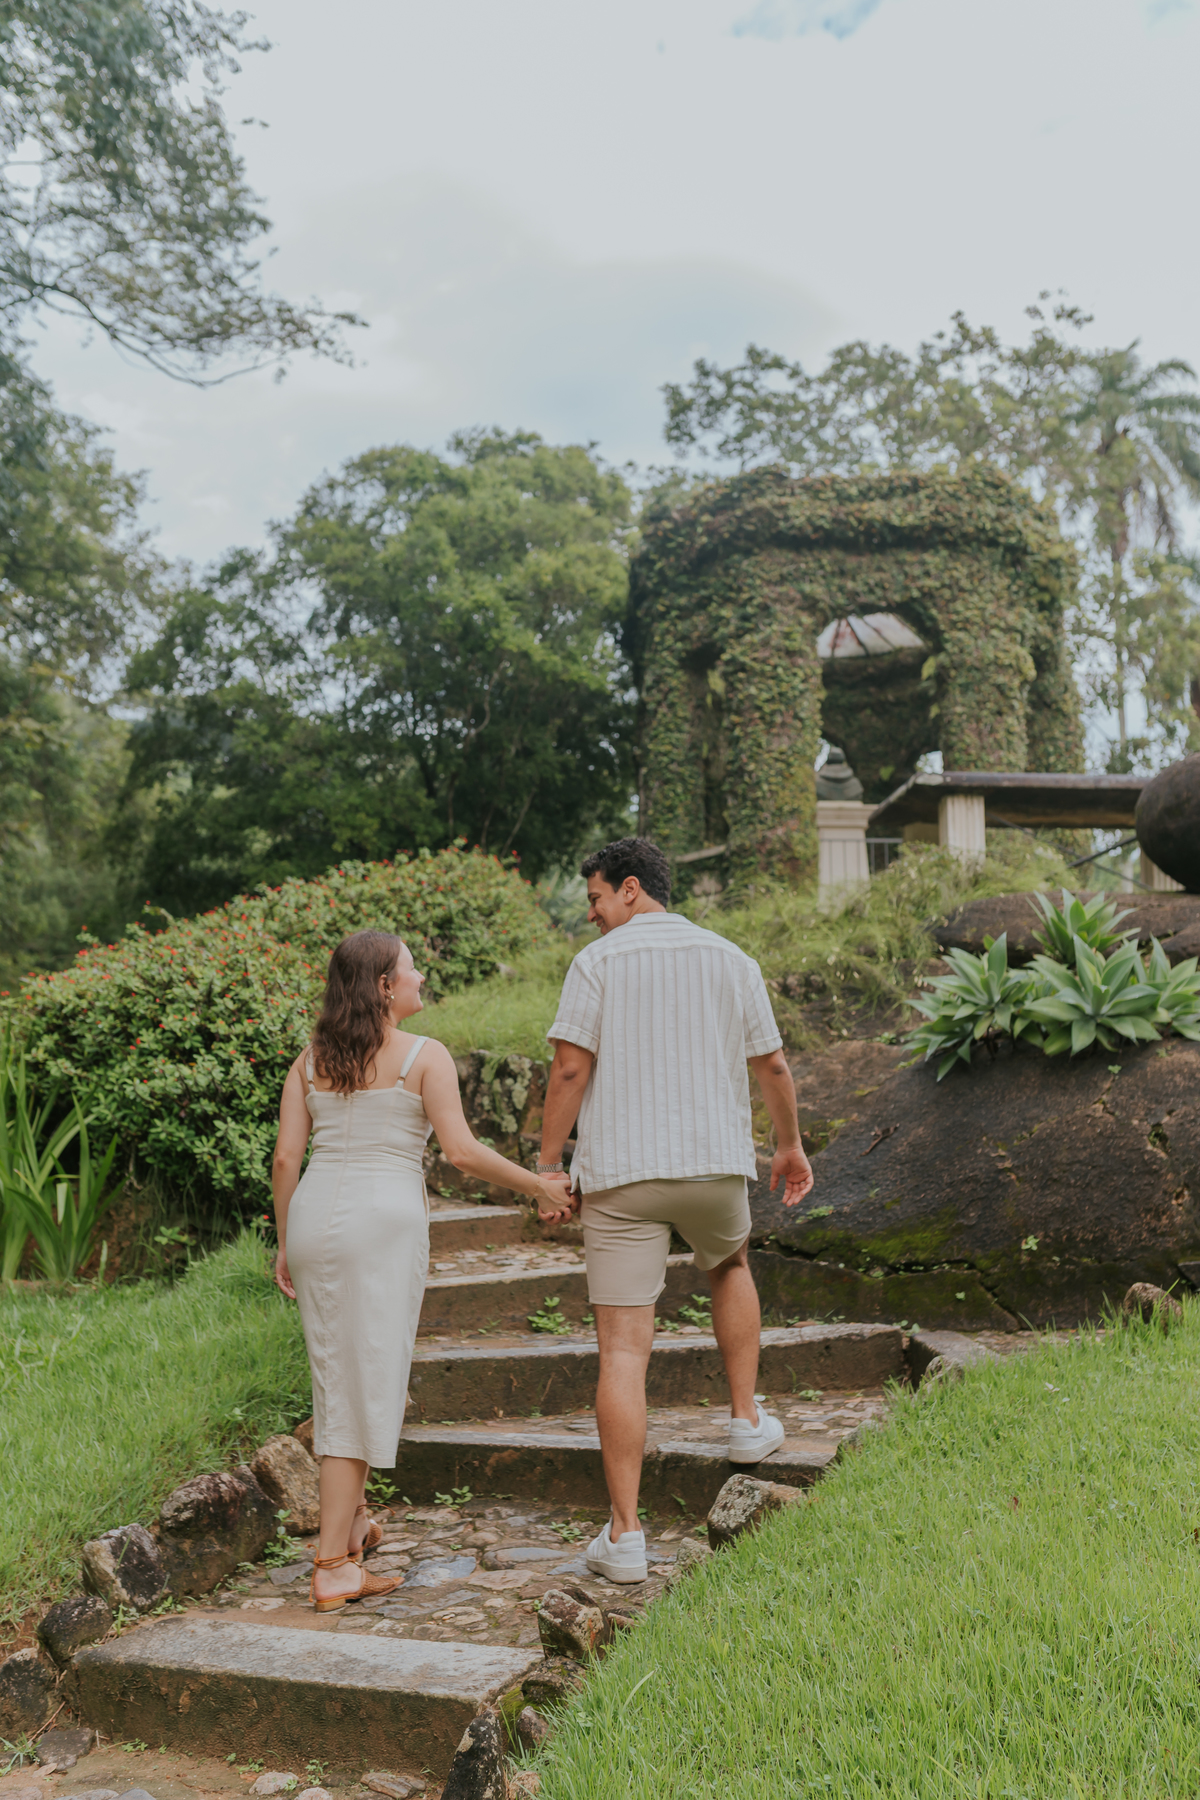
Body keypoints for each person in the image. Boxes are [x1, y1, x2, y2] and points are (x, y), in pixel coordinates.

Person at [538, 837, 814, 1584]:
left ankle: (625, 1537)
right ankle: (747, 1422)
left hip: (622, 1174)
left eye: (595, 897)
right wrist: (788, 1146)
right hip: (712, 1164)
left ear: (631, 889)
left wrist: (548, 1164)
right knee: (728, 1264)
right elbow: (774, 1065)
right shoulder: (731, 959)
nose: (592, 914)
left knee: (624, 1347)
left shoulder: (598, 964)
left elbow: (569, 1067)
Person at [272, 928, 572, 1612]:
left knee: (338, 1373)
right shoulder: (423, 1057)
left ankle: (350, 1525)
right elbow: (462, 1153)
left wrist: (287, 1240)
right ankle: (333, 1565)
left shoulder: (309, 1062)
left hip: (316, 1218)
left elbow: (287, 1159)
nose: (420, 978)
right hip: (383, 1224)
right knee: (361, 1379)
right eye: (410, 969)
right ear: (384, 986)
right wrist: (540, 1185)